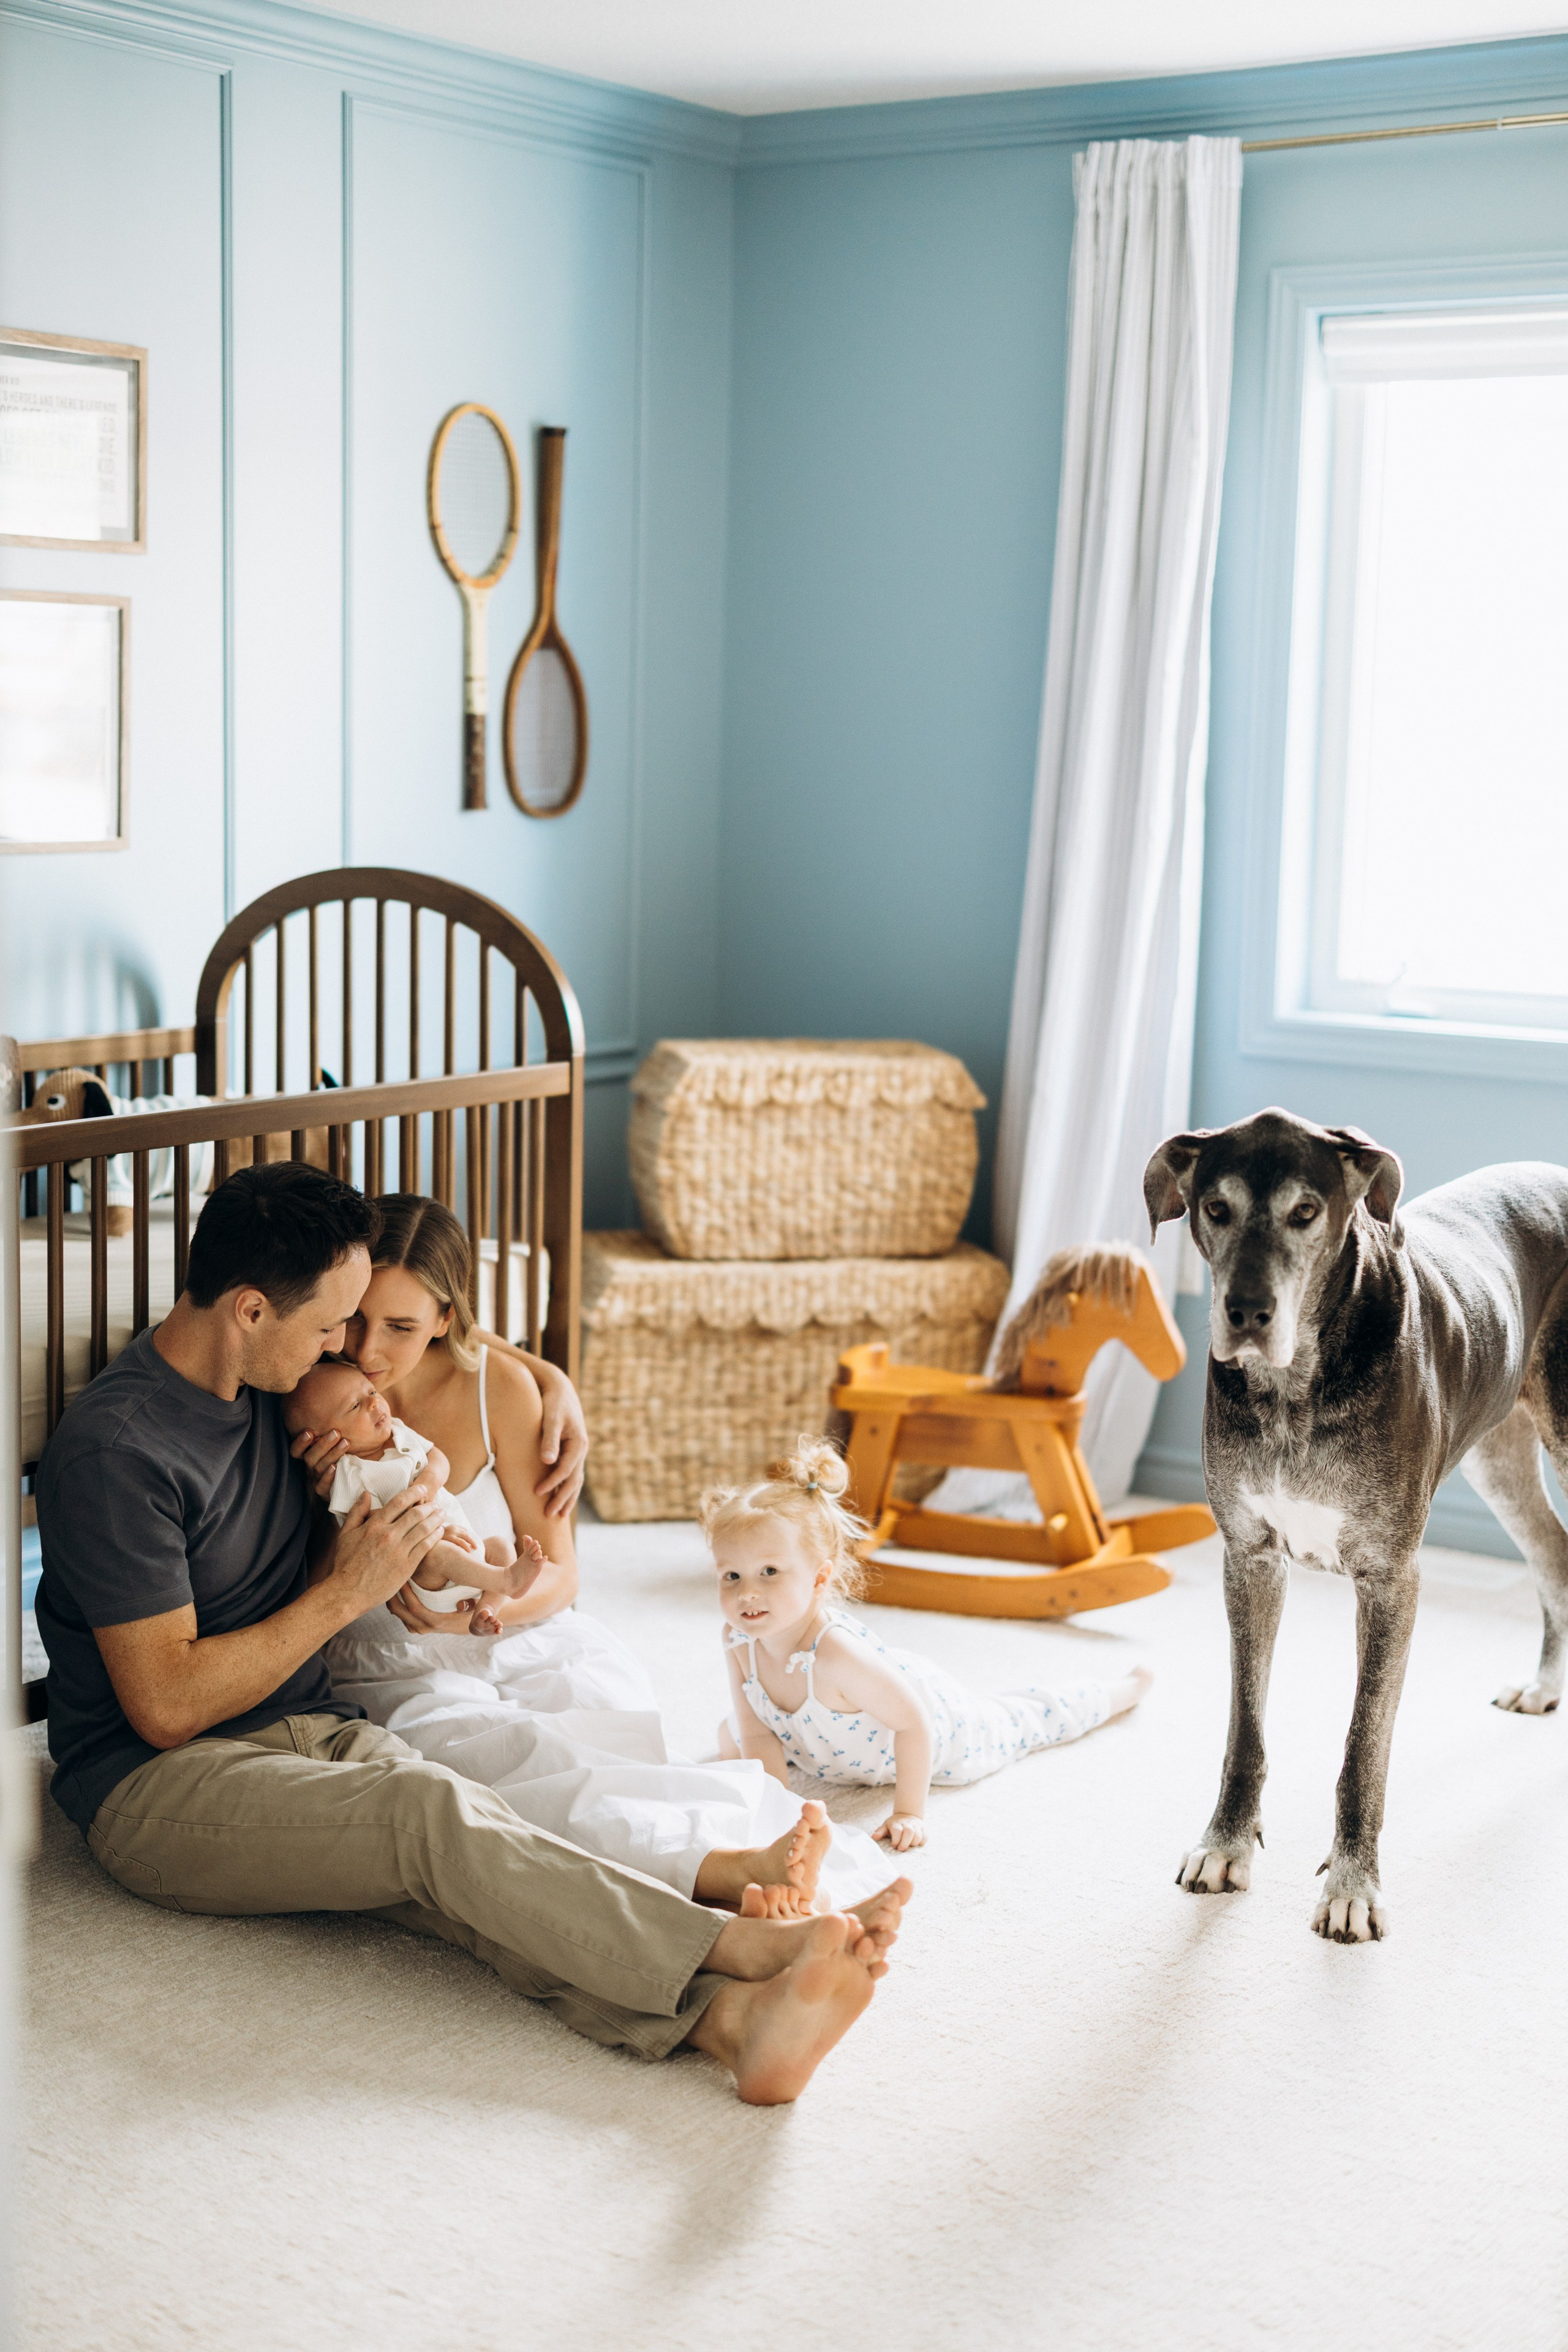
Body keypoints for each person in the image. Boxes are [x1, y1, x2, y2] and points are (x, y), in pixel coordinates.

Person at [32, 1164, 909, 2105]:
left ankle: (733, 2025)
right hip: (156, 1785)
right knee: (428, 1821)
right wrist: (343, 1592)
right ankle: (745, 1944)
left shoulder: (274, 1381)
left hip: (304, 1728)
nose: (350, 1351)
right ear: (249, 1310)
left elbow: (437, 1363)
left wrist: (542, 1377)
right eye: (332, 1324)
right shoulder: (122, 1454)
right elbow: (166, 1709)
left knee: (473, 1847)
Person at [310, 1195, 891, 1918]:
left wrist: (488, 1613)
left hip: (519, 1631)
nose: (366, 1351)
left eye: (400, 1327)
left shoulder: (503, 1389)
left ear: (446, 1320)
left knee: (606, 1722)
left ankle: (750, 1848)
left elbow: (561, 1572)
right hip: (399, 1658)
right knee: (516, 1758)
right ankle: (723, 1870)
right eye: (355, 1318)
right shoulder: (308, 1397)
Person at [709, 1440, 1153, 1852]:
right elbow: (757, 1732)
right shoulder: (739, 1640)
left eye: (769, 1572)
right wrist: (781, 1815)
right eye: (732, 1575)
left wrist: (908, 1812)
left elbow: (913, 1723)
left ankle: (1122, 1690)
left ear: (820, 1579)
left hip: (939, 1728)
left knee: (1024, 1721)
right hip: (822, 1746)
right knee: (731, 1738)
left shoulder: (837, 1655)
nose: (747, 1592)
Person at [282, 1357, 541, 1614]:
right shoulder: (350, 1473)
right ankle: (507, 1580)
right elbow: (375, 1528)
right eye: (355, 1406)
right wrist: (432, 1537)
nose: (375, 1402)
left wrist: (430, 1481)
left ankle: (486, 1609)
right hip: (423, 1570)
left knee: (501, 1546)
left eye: (371, 1391)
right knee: (437, 1556)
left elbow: (436, 1457)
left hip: (469, 1548)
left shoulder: (398, 1432)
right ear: (325, 1439)